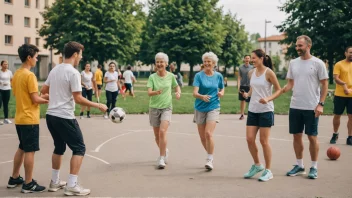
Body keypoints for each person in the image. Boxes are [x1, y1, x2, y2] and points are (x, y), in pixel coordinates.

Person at [40, 41, 108, 196]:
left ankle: (55, 182)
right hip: (64, 116)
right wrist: (98, 105)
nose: (81, 58)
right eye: (81, 55)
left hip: (51, 115)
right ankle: (71, 185)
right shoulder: (73, 72)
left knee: (59, 147)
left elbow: (43, 90)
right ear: (75, 54)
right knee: (79, 148)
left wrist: (56, 97)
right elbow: (78, 98)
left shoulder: (55, 70)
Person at [281, 35, 328, 179]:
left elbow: (325, 84)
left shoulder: (318, 63)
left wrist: (320, 104)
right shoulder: (293, 63)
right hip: (295, 105)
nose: (297, 48)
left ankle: (314, 167)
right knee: (296, 136)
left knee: (312, 137)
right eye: (296, 46)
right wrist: (281, 90)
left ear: (308, 46)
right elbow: (290, 83)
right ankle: (300, 165)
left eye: (300, 45)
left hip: (311, 106)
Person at [7, 44, 48, 193]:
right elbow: (35, 99)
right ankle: (28, 183)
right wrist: (48, 99)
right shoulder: (30, 75)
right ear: (29, 58)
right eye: (36, 57)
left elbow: (26, 96)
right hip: (29, 119)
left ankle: (14, 177)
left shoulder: (17, 74)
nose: (37, 60)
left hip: (20, 118)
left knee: (22, 148)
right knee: (30, 151)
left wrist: (41, 97)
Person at [241, 50, 281, 182]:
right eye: (251, 58)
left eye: (254, 58)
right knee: (249, 139)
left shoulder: (269, 73)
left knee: (264, 141)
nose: (252, 60)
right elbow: (253, 89)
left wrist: (268, 98)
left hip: (266, 110)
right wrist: (248, 95)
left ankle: (268, 171)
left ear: (261, 58)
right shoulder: (251, 72)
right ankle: (257, 165)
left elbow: (278, 90)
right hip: (253, 110)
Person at [147, 52, 181, 169]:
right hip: (154, 108)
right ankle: (164, 151)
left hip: (166, 107)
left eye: (162, 62)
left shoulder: (171, 76)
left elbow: (176, 86)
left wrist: (178, 92)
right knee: (157, 136)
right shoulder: (152, 77)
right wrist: (156, 92)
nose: (159, 64)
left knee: (162, 132)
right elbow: (149, 92)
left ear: (166, 63)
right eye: (157, 62)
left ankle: (161, 158)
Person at [192, 52, 224, 171]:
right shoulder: (198, 76)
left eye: (209, 61)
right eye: (205, 61)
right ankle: (211, 153)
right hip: (200, 107)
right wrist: (202, 97)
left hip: (214, 106)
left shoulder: (218, 76)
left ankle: (209, 159)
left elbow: (222, 88)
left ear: (214, 63)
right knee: (202, 137)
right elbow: (194, 93)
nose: (206, 63)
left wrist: (221, 93)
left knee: (208, 134)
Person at [330, 46, 352, 145]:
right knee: (337, 116)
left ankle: (350, 137)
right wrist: (344, 85)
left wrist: (349, 89)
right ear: (346, 53)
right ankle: (335, 134)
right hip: (340, 95)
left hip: (351, 96)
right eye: (350, 52)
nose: (351, 54)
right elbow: (336, 78)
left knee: (351, 117)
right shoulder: (339, 64)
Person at [238, 55, 254, 120]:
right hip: (243, 86)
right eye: (246, 58)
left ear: (250, 59)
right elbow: (239, 77)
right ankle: (242, 114)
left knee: (250, 101)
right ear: (244, 59)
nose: (247, 59)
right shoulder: (241, 67)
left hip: (250, 86)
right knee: (242, 100)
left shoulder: (252, 67)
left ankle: (251, 114)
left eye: (248, 58)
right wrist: (238, 87)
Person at [0, 60, 13, 124]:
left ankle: (6, 119)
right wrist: (1, 82)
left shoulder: (9, 72)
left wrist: (10, 84)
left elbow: (11, 79)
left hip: (7, 89)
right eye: (4, 64)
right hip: (0, 89)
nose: (6, 65)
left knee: (6, 104)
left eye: (7, 64)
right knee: (0, 104)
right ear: (1, 65)